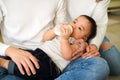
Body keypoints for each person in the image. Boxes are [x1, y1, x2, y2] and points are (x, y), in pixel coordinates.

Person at [0, 0, 109, 80]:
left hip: (51, 65)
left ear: (84, 38)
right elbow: (45, 38)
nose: (74, 26)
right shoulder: (63, 33)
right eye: (74, 22)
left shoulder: (78, 43)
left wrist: (64, 39)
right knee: (25, 66)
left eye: (79, 28)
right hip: (29, 52)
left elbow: (67, 55)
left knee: (100, 66)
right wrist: (55, 30)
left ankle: (5, 64)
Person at [67, 0, 120, 75]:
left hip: (89, 32)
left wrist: (94, 45)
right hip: (64, 28)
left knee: (117, 66)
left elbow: (100, 23)